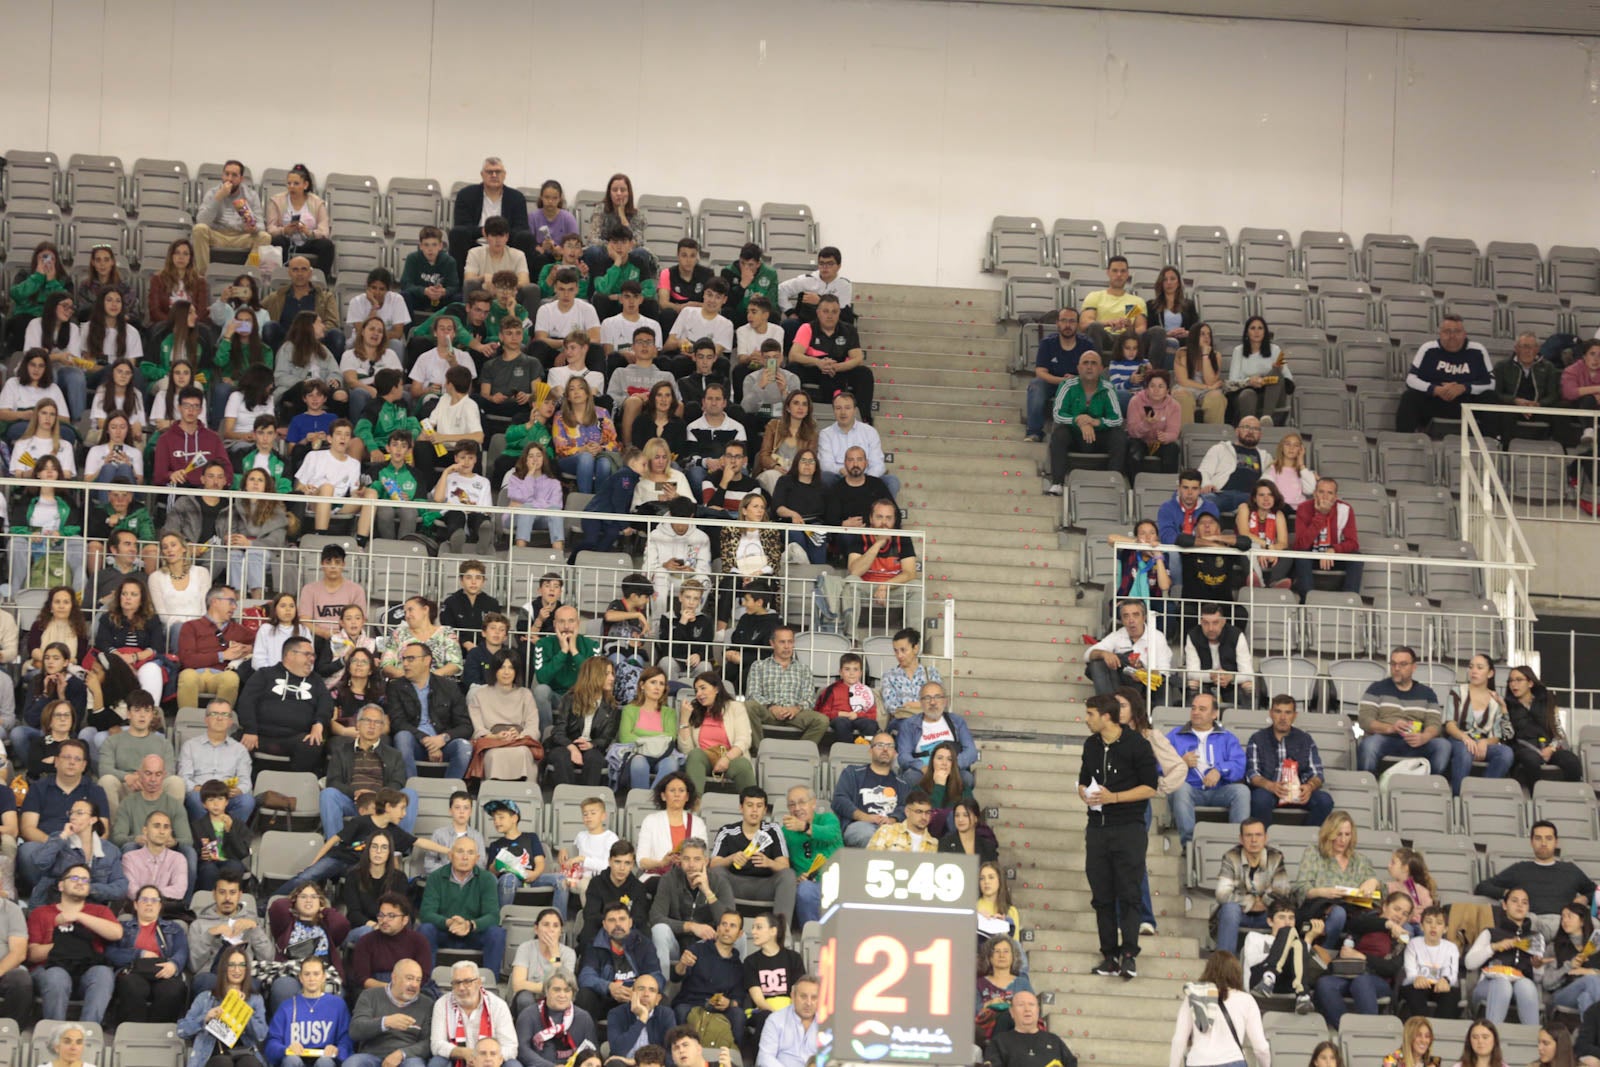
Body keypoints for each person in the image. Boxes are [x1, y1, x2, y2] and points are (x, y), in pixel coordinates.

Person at [1079, 693, 1158, 979]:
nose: (1086, 720)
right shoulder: (1090, 745)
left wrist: (1114, 797)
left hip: (1129, 828)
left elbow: (1150, 787)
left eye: (1090, 714)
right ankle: (1109, 954)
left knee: (1129, 892)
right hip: (1097, 827)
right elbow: (1083, 780)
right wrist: (1085, 794)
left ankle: (1129, 953)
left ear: (1106, 716)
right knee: (1101, 894)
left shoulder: (1137, 745)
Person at [28, 862, 121, 1023]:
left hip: (87, 970)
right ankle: (55, 1033)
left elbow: (116, 933)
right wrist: (67, 947)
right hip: (50, 968)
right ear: (61, 885)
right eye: (75, 878)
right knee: (57, 976)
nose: (80, 882)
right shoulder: (40, 913)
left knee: (103, 973)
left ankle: (88, 1033)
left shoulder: (100, 911)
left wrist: (78, 916)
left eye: (85, 880)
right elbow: (33, 954)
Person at [1311, 890, 1413, 1026]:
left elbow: (1391, 968)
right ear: (1384, 906)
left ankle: (1368, 1032)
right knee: (1325, 983)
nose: (1399, 916)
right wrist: (1388, 924)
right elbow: (1354, 925)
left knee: (1361, 980)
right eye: (1396, 909)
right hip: (1347, 973)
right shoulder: (1366, 920)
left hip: (1377, 981)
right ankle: (1346, 1029)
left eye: (1404, 914)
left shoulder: (1403, 937)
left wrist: (1363, 957)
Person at [1475, 822, 1595, 936]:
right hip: (1534, 921)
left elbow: (1597, 892)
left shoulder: (1570, 870)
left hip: (1565, 922)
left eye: (1548, 838)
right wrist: (1507, 893)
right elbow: (1482, 887)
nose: (1543, 843)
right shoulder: (1520, 869)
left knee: (1594, 924)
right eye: (1538, 838)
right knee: (1526, 921)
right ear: (1532, 842)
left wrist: (1585, 898)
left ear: (1556, 842)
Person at [1356, 646, 1450, 785]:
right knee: (1370, 745)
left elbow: (1435, 724)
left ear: (1414, 667)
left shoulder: (1427, 693)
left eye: (1402, 664)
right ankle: (1369, 787)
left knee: (1443, 745)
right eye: (1393, 664)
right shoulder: (1376, 688)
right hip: (1385, 739)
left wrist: (1424, 737)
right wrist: (1391, 728)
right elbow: (1364, 720)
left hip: (1417, 741)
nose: (1397, 668)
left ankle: (1431, 786)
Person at [1164, 693, 1249, 847]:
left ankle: (1239, 845)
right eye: (1194, 708)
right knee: (1180, 788)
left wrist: (1219, 770)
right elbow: (1159, 765)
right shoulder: (1175, 736)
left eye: (1202, 709)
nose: (1196, 712)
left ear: (1215, 714)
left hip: (1219, 790)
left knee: (1242, 791)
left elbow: (1239, 765)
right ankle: (1189, 845)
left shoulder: (1226, 737)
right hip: (1189, 790)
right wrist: (1180, 763)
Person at [238, 636, 332, 773]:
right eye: (307, 654)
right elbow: (246, 701)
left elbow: (326, 704)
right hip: (261, 735)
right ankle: (244, 787)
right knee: (236, 741)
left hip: (296, 737)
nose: (312, 659)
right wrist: (250, 729)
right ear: (289, 655)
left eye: (313, 655)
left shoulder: (316, 681)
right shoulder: (264, 674)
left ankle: (295, 790)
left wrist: (319, 724)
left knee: (312, 743)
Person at [1292, 810, 1379, 954]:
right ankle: (1326, 952)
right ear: (1329, 833)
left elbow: (1380, 894)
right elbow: (1300, 888)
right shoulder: (1314, 853)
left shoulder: (1360, 860)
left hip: (1353, 913)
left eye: (1347, 834)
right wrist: (1323, 892)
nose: (1343, 840)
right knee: (1338, 913)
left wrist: (1373, 881)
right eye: (1338, 834)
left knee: (1370, 917)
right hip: (1321, 910)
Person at [420, 838, 506, 979]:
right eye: (460, 851)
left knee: (497, 933)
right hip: (445, 932)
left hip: (474, 933)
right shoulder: (435, 877)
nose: (465, 857)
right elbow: (426, 913)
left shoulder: (487, 879)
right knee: (425, 929)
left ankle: (490, 985)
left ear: (477, 858)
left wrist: (470, 925)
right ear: (450, 855)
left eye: (470, 853)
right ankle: (425, 982)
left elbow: (493, 916)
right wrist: (448, 922)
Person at [1167, 951, 1270, 1067]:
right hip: (1233, 1061)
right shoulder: (1246, 1000)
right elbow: (1261, 1047)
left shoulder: (1194, 996)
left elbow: (1179, 1040)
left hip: (1198, 1061)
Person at [1397, 314, 1496, 434]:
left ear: (1465, 334)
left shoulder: (1478, 350)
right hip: (1436, 403)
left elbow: (1491, 384)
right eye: (1447, 331)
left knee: (1491, 397)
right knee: (1409, 396)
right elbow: (1411, 380)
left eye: (1457, 332)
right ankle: (1403, 442)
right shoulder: (1428, 349)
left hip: (1466, 405)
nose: (1452, 336)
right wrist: (1435, 389)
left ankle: (1491, 443)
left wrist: (1464, 388)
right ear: (1440, 334)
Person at [1044, 349, 1126, 495]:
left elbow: (1117, 418)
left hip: (1099, 437)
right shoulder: (1067, 385)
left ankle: (1113, 482)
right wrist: (1078, 421)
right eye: (1085, 363)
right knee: (1059, 434)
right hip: (1075, 436)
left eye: (1094, 363)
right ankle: (1057, 483)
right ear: (1078, 368)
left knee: (1119, 436)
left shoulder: (1108, 388)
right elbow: (1057, 414)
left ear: (1101, 369)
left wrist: (1096, 422)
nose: (1089, 367)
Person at [389, 642, 473, 781]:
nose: (405, 664)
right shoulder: (396, 687)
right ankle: (411, 791)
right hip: (414, 743)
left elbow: (466, 726)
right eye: (403, 659)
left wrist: (443, 738)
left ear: (426, 660)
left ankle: (449, 793)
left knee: (464, 747)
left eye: (410, 659)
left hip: (443, 743)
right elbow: (397, 722)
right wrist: (426, 740)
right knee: (402, 736)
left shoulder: (449, 687)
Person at [1245, 695, 1334, 827]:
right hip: (1270, 790)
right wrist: (1271, 786)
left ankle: (1305, 839)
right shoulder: (1257, 739)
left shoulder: (1305, 739)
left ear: (1294, 715)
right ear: (1271, 713)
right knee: (1259, 799)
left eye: (1288, 712)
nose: (1282, 717)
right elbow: (1252, 774)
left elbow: (1318, 774)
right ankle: (1263, 841)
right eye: (1278, 711)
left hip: (1299, 791)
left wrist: (1309, 787)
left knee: (1325, 800)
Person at [179, 944, 270, 1067]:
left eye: (241, 965)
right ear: (224, 968)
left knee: (250, 1063)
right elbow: (182, 1030)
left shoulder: (255, 999)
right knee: (222, 1062)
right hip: (213, 1055)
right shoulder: (205, 997)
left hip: (244, 1053)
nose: (237, 970)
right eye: (231, 965)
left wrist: (243, 1010)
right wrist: (205, 1018)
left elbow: (261, 1035)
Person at [1463, 885, 1541, 1024]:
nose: (1520, 905)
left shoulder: (1535, 937)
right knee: (1502, 984)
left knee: (1526, 985)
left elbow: (1541, 977)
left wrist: (1537, 967)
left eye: (1524, 902)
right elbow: (1469, 963)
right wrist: (1494, 947)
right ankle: (1491, 1037)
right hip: (1490, 984)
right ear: (1504, 905)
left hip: (1520, 985)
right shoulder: (1491, 933)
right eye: (1514, 901)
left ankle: (1532, 1039)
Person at [1213, 818, 1291, 957]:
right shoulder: (1231, 857)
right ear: (1241, 839)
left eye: (1258, 835)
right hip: (1239, 913)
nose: (1254, 840)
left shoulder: (1275, 857)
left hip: (1266, 915)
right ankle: (1224, 968)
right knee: (1230, 909)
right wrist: (1250, 902)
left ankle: (1279, 964)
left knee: (1284, 914)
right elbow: (1222, 894)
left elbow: (1282, 891)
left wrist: (1265, 901)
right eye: (1249, 835)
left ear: (1265, 838)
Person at [575, 900, 665, 1020]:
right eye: (612, 920)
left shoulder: (644, 944)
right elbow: (586, 977)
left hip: (637, 998)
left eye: (622, 919)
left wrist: (638, 989)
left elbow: (657, 976)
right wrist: (609, 987)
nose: (617, 924)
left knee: (661, 1000)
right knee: (585, 996)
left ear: (630, 922)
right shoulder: (594, 945)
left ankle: (652, 1039)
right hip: (606, 999)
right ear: (604, 925)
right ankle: (589, 1038)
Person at [669, 911, 747, 1042]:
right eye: (724, 924)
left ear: (739, 934)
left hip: (719, 1011)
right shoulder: (698, 949)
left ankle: (732, 1058)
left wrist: (729, 1003)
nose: (727, 929)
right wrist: (682, 964)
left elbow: (738, 999)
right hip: (691, 1004)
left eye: (732, 926)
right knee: (681, 1010)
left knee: (738, 1015)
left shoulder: (738, 966)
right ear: (718, 928)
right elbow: (675, 977)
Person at [1505, 665, 1584, 792]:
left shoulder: (1548, 702)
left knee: (1571, 761)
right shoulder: (1507, 705)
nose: (1514, 684)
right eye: (1511, 681)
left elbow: (1558, 731)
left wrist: (1551, 748)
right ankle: (1538, 796)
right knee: (1531, 759)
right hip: (1522, 748)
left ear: (1530, 683)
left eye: (1519, 680)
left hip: (1548, 746)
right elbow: (1508, 736)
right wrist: (1504, 712)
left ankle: (1572, 795)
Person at [265, 954, 352, 1067]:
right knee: (291, 1060)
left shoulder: (338, 1005)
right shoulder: (286, 1007)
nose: (311, 979)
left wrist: (337, 1050)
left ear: (324, 977)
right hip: (295, 1059)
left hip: (325, 1059)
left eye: (316, 974)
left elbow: (347, 1039)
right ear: (300, 978)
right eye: (307, 974)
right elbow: (272, 1043)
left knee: (324, 1062)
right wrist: (286, 1049)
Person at [176, 585, 253, 710]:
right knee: (187, 676)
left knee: (231, 678)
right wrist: (222, 656)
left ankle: (221, 720)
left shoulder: (239, 630)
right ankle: (187, 722)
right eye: (231, 601)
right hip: (195, 674)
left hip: (221, 675)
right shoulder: (191, 627)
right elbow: (187, 660)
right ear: (215, 602)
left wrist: (250, 649)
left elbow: (260, 644)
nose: (235, 607)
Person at [1024, 308, 1095, 443]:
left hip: (1078, 384)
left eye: (1072, 321)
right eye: (1064, 321)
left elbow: (1093, 372)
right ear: (1057, 323)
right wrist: (1062, 381)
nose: (1067, 325)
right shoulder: (1047, 343)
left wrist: (1076, 380)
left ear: (1078, 324)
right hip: (1052, 382)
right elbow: (1040, 371)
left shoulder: (1087, 345)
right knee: (1036, 385)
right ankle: (1034, 432)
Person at [346, 958, 434, 1067]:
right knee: (353, 1063)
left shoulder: (427, 1004)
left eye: (418, 980)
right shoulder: (369, 996)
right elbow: (355, 1030)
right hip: (371, 1055)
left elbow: (428, 1043)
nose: (414, 985)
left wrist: (402, 1053)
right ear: (394, 977)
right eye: (409, 978)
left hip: (408, 1057)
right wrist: (385, 1022)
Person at [1445, 654, 1517, 787]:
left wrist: (1485, 742)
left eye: (1480, 667)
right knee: (1465, 751)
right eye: (1471, 667)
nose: (1474, 671)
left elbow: (1497, 736)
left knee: (1506, 753)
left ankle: (1484, 790)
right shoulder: (1458, 691)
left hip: (1482, 743)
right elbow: (1450, 725)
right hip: (1459, 740)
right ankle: (1458, 796)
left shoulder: (1495, 699)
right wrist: (1465, 738)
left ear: (1490, 673)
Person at [429, 960, 518, 1067]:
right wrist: (464, 1053)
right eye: (457, 983)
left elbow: (510, 1047)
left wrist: (486, 1058)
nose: (461, 988)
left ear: (479, 982)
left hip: (491, 1061)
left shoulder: (498, 1005)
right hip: (457, 1058)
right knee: (437, 1063)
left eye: (467, 982)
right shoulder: (442, 1004)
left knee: (513, 1065)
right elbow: (437, 1044)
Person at [449, 158, 536, 266]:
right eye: (489, 172)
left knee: (526, 237)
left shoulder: (516, 197)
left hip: (506, 243)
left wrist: (501, 234)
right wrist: (484, 231)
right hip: (476, 242)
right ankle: (459, 282)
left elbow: (521, 227)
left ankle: (523, 281)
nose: (494, 175)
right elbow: (461, 225)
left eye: (498, 172)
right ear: (482, 174)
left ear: (504, 175)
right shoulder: (466, 195)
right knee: (457, 234)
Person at [1291, 476, 1364, 599]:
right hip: (1311, 556)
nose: (1325, 496)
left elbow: (1353, 543)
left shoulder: (1345, 509)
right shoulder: (1304, 508)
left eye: (1329, 493)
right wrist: (1321, 515)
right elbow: (1300, 544)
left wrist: (1333, 549)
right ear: (1314, 494)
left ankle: (1349, 601)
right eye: (1321, 492)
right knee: (1301, 556)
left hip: (1333, 557)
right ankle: (1308, 600)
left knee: (1357, 558)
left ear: (1335, 497)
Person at [192, 160, 270, 271]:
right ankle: (203, 275)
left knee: (265, 237)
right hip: (218, 235)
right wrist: (218, 197)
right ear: (222, 175)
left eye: (234, 175)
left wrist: (254, 228)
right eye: (226, 174)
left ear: (241, 179)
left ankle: (247, 276)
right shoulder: (213, 193)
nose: (229, 179)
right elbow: (201, 221)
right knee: (199, 229)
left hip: (241, 236)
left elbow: (261, 226)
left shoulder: (251, 195)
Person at [1086, 599, 1170, 697]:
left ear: (1144, 618)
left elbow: (1165, 671)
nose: (1131, 620)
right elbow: (1088, 654)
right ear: (1121, 620)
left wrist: (1145, 673)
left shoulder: (1157, 637)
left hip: (1148, 685)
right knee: (1097, 663)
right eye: (1126, 616)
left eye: (1135, 615)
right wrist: (1104, 654)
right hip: (1122, 683)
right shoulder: (1117, 635)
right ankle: (1107, 704)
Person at [262, 257, 345, 356]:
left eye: (304, 269)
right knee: (269, 327)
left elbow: (332, 322)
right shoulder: (276, 297)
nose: (299, 274)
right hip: (285, 340)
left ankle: (331, 370)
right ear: (289, 273)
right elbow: (256, 310)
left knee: (337, 335)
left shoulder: (326, 297)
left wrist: (313, 334)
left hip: (316, 341)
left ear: (310, 273)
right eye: (295, 269)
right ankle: (273, 368)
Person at [1183, 603, 1260, 709]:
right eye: (1205, 623)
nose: (1210, 628)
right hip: (1205, 682)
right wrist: (1212, 675)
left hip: (1231, 683)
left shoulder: (1236, 635)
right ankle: (1193, 719)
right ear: (1200, 622)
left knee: (1248, 685)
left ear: (1223, 622)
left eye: (1215, 623)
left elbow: (1248, 673)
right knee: (1193, 683)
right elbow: (1191, 673)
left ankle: (1249, 720)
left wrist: (1231, 677)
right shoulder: (1193, 635)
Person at [267, 164, 335, 277]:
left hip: (308, 241)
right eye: (289, 183)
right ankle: (281, 277)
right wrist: (284, 230)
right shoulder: (276, 201)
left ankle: (320, 281)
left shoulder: (317, 202)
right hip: (287, 240)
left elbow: (324, 231)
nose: (291, 187)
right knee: (277, 241)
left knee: (327, 246)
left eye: (296, 183)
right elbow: (270, 229)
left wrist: (309, 232)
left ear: (305, 185)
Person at [514, 970, 594, 1067]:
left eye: (567, 990)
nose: (562, 995)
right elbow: (522, 1050)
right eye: (557, 990)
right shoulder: (528, 1015)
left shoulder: (584, 1017)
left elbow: (592, 1053)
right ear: (546, 991)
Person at [508, 908, 577, 1017]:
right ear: (536, 929)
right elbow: (518, 984)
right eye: (546, 925)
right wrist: (550, 988)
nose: (551, 930)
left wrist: (555, 954)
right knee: (524, 998)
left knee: (561, 998)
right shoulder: (525, 948)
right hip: (528, 999)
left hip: (556, 999)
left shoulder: (569, 953)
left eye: (555, 926)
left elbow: (564, 986)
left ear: (560, 931)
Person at [1400, 904, 1462, 1022]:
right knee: (1414, 991)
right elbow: (1410, 971)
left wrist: (1446, 980)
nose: (1433, 926)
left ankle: (1441, 1031)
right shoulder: (1413, 944)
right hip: (1418, 984)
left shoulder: (1451, 947)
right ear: (1422, 926)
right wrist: (1417, 978)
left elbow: (1453, 974)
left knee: (1451, 993)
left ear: (1445, 929)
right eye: (1429, 922)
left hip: (1440, 985)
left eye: (1439, 923)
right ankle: (1420, 1028)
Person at [983, 991, 1076, 1067]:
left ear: (1038, 1010)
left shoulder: (1054, 1040)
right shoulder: (999, 1042)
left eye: (1031, 1004)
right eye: (1021, 1005)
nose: (1027, 1009)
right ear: (1011, 1012)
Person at [1227, 316, 1292, 422]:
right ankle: (1249, 426)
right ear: (1247, 332)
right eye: (1253, 328)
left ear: (1265, 331)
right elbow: (1232, 382)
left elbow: (1288, 379)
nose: (1257, 332)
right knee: (1248, 394)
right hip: (1247, 391)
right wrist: (1249, 381)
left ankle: (1266, 419)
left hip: (1271, 393)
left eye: (1260, 328)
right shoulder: (1238, 351)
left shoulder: (1275, 350)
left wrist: (1276, 372)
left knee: (1276, 372)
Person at [1237, 479, 1293, 589]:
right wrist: (1264, 548)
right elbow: (1244, 533)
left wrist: (1273, 551)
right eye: (1261, 495)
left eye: (1270, 495)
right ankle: (1255, 581)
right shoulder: (1245, 508)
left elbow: (1283, 543)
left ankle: (1275, 582)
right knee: (1244, 546)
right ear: (1254, 498)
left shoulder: (1278, 514)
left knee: (1287, 554)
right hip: (1248, 551)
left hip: (1269, 555)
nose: (1266, 499)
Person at [606, 975, 673, 1066]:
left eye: (652, 990)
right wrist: (641, 1020)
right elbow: (617, 1050)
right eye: (641, 989)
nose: (646, 994)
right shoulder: (616, 1014)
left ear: (658, 999)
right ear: (631, 994)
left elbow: (671, 1051)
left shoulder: (666, 1015)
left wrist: (637, 1062)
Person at [754, 973, 818, 1067]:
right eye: (803, 996)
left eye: (814, 998)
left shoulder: (829, 1023)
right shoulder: (775, 1020)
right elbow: (764, 1057)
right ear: (793, 996)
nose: (808, 1003)